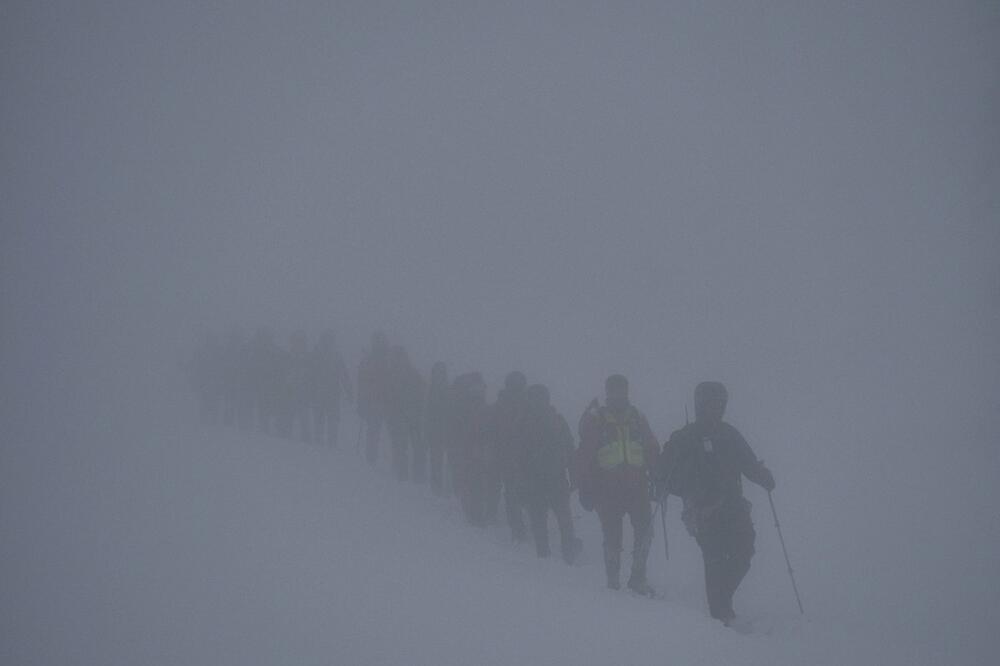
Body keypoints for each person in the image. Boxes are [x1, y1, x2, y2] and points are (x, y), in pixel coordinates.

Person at [656, 381, 775, 625]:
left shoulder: (729, 434)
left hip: (733, 505)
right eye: (710, 404)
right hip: (701, 510)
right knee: (715, 557)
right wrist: (660, 483)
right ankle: (719, 613)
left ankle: (722, 602)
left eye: (719, 404)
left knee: (745, 551)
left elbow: (748, 462)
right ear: (700, 405)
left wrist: (763, 477)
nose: (715, 409)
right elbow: (664, 467)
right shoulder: (686, 436)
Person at [576, 375, 660, 594]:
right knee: (612, 536)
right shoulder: (597, 419)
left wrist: (657, 475)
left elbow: (651, 448)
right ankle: (613, 582)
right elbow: (584, 455)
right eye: (613, 391)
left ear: (627, 391)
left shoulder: (638, 418)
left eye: (621, 390)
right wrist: (584, 487)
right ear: (607, 392)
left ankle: (638, 578)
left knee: (645, 532)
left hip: (638, 488)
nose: (618, 395)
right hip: (607, 490)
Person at [518, 384, 581, 563]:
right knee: (563, 519)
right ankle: (568, 556)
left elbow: (517, 454)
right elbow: (569, 449)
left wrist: (519, 481)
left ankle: (544, 557)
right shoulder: (557, 420)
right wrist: (574, 476)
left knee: (541, 521)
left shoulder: (524, 422)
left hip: (536, 481)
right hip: (554, 478)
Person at [491, 371, 530, 541]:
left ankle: (517, 526)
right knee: (511, 491)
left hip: (520, 455)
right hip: (507, 455)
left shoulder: (504, 405)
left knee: (514, 491)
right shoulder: (503, 407)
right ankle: (517, 527)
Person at [450, 372, 492, 526]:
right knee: (475, 482)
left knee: (472, 482)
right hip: (475, 451)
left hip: (470, 451)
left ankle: (473, 512)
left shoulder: (464, 406)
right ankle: (475, 513)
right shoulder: (481, 409)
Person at [385, 346, 426, 482]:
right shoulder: (406, 373)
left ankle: (410, 474)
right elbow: (422, 390)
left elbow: (422, 391)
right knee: (405, 446)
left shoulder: (396, 374)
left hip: (407, 416)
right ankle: (406, 474)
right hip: (405, 416)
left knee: (408, 446)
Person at [312, 330, 353, 448]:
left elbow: (344, 375)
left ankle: (328, 445)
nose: (327, 343)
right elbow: (344, 375)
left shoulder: (333, 356)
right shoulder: (321, 355)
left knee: (329, 422)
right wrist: (349, 391)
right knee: (325, 422)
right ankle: (324, 445)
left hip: (329, 395)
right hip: (323, 394)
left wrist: (349, 391)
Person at [357, 332, 391, 465]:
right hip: (380, 401)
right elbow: (362, 382)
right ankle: (374, 459)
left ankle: (372, 459)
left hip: (377, 401)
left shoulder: (370, 359)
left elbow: (362, 382)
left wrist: (361, 401)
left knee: (374, 431)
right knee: (377, 431)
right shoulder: (386, 359)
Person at [422, 362, 452, 495]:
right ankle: (439, 486)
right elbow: (428, 413)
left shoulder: (433, 390)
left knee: (440, 460)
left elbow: (428, 413)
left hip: (440, 430)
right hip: (439, 430)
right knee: (439, 460)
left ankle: (441, 486)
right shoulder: (442, 390)